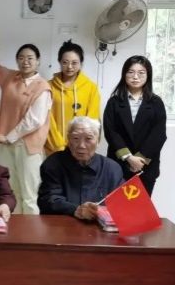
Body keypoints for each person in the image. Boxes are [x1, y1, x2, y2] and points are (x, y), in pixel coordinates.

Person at [0, 43, 51, 214]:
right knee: (10, 191)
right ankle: (15, 227)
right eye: (21, 58)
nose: (25, 61)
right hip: (6, 144)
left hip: (28, 147)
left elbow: (35, 120)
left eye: (30, 58)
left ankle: (31, 230)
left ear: (38, 61)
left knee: (29, 195)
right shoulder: (10, 78)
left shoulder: (43, 87)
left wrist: (10, 136)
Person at [104, 55, 167, 196]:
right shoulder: (114, 102)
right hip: (118, 164)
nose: (135, 77)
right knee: (116, 207)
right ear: (124, 74)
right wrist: (129, 157)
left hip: (146, 167)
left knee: (141, 207)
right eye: (131, 72)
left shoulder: (156, 103)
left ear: (148, 75)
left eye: (141, 73)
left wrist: (140, 159)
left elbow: (158, 134)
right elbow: (111, 132)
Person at [38, 117, 123, 219]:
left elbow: (121, 202)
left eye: (88, 139)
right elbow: (48, 199)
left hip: (99, 226)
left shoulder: (112, 169)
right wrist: (76, 210)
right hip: (61, 224)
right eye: (75, 138)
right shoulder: (53, 163)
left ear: (98, 140)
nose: (81, 145)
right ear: (68, 139)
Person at [46, 40, 101, 155]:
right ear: (59, 62)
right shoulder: (49, 86)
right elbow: (47, 118)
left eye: (74, 63)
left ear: (81, 63)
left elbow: (92, 120)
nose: (69, 67)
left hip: (81, 148)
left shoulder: (91, 87)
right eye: (65, 62)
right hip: (53, 147)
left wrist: (80, 143)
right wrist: (58, 145)